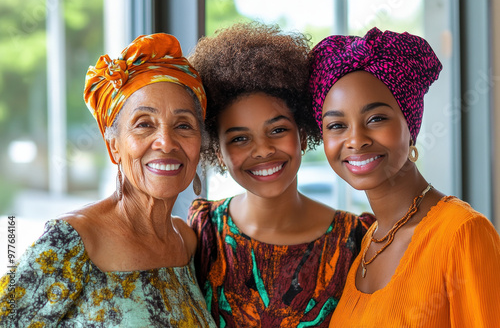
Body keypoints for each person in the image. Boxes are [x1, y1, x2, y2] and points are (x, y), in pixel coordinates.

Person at [0, 33, 216, 327]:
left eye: (183, 125)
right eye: (144, 124)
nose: (166, 142)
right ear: (114, 146)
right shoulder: (74, 241)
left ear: (199, 146)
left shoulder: (186, 241)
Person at [308, 27, 500, 327]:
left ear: (410, 125)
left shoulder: (461, 233)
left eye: (376, 119)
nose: (356, 140)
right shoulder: (368, 243)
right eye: (336, 125)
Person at [187, 22, 374, 328]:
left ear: (302, 134)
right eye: (239, 138)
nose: (262, 150)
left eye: (277, 130)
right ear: (218, 151)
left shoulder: (356, 239)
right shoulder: (204, 233)